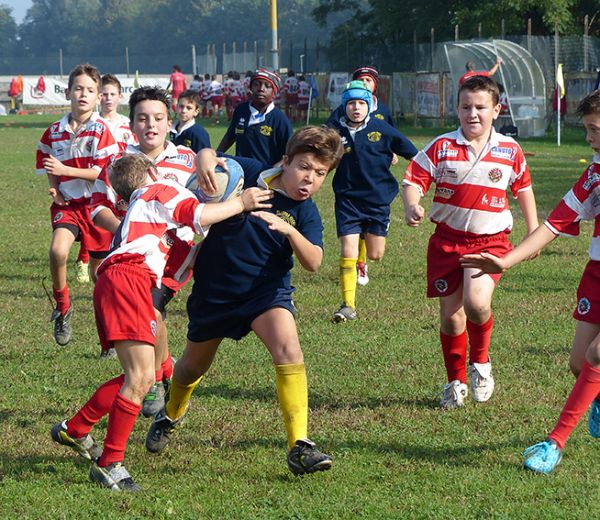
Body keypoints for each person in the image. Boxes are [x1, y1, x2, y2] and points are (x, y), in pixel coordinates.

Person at [50, 153, 272, 492]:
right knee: (139, 379)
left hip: (118, 280)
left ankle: (77, 428)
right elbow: (198, 213)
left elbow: (185, 245)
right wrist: (241, 202)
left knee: (141, 376)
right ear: (155, 173)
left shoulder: (142, 206)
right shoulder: (162, 190)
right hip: (130, 278)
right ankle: (110, 464)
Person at [145, 126, 344, 476]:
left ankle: (300, 444)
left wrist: (289, 230)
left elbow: (313, 261)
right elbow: (207, 155)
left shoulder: (305, 213)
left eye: (319, 174)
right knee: (192, 367)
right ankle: (172, 413)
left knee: (289, 350)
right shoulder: (251, 173)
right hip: (215, 294)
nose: (309, 179)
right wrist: (206, 160)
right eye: (304, 167)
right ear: (285, 161)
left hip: (266, 293)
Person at [460, 89, 600, 474]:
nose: (588, 138)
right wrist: (505, 259)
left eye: (594, 130)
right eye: (587, 129)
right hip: (596, 276)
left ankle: (554, 443)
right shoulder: (595, 175)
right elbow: (553, 225)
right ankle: (597, 399)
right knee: (578, 363)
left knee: (596, 356)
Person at [402, 75, 538, 409]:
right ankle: (455, 382)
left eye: (480, 107)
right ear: (457, 109)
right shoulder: (442, 146)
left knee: (477, 304)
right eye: (466, 107)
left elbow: (523, 190)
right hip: (447, 241)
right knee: (451, 317)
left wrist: (533, 230)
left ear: (497, 109)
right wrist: (412, 204)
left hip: (490, 242)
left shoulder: (509, 149)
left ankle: (481, 362)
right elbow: (412, 180)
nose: (472, 114)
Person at [91, 86, 198, 417]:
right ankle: (162, 370)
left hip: (175, 256)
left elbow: (206, 203)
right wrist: (128, 225)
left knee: (153, 310)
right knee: (153, 314)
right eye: (142, 118)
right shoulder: (117, 163)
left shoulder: (187, 161)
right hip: (134, 256)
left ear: (169, 122)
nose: (150, 124)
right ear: (132, 124)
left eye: (158, 118)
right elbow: (97, 209)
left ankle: (154, 377)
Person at [36, 63, 119, 346]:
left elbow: (101, 172)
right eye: (78, 88)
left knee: (100, 277)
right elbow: (46, 156)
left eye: (90, 90)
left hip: (98, 208)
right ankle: (63, 306)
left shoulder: (101, 130)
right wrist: (53, 186)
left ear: (98, 97)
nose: (84, 94)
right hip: (68, 205)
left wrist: (65, 170)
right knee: (57, 251)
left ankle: (108, 335)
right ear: (68, 92)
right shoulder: (55, 130)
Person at [328, 81, 417, 323]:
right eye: (350, 103)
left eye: (360, 103)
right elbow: (320, 158)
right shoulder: (333, 130)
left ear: (369, 105)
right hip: (347, 199)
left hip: (377, 200)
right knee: (346, 248)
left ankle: (363, 255)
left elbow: (413, 154)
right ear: (344, 106)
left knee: (376, 254)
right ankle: (348, 305)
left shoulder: (383, 129)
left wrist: (430, 174)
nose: (355, 108)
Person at [327, 66, 395, 287]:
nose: (365, 83)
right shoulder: (342, 113)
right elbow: (327, 135)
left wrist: (392, 153)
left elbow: (394, 136)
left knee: (377, 250)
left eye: (369, 80)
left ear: (375, 85)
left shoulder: (382, 111)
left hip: (375, 180)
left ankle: (367, 243)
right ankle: (358, 266)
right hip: (349, 185)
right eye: (360, 79)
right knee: (350, 241)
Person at [217, 69, 292, 165]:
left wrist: (272, 172)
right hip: (242, 172)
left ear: (274, 91)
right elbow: (230, 136)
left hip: (266, 176)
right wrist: (216, 155)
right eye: (256, 84)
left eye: (267, 86)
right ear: (251, 88)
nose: (261, 88)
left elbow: (290, 153)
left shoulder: (280, 120)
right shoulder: (241, 110)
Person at [100, 74, 137, 152]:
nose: (109, 98)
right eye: (105, 94)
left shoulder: (128, 124)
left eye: (112, 94)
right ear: (98, 96)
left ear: (120, 97)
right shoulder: (93, 123)